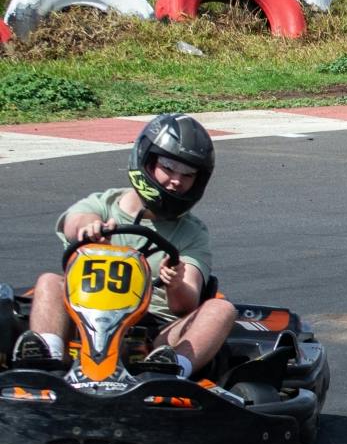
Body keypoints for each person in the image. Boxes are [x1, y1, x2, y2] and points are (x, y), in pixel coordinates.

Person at [10, 113, 236, 377]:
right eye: (168, 168)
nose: (176, 181)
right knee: (49, 281)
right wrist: (90, 228)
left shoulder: (191, 232)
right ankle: (45, 360)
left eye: (188, 174)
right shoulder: (103, 205)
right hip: (85, 322)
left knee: (221, 309)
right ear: (146, 161)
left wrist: (175, 283)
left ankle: (171, 369)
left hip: (154, 334)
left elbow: (186, 304)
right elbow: (75, 221)